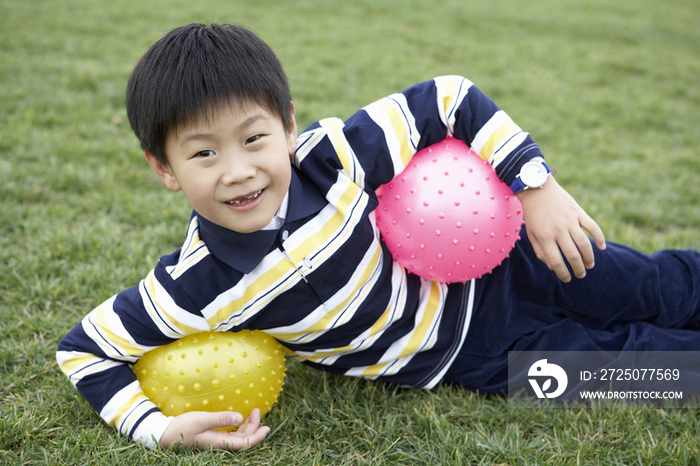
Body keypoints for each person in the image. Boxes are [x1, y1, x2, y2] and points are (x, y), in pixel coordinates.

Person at [56, 22, 700, 451]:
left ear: (285, 126)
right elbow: (83, 351)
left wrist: (536, 188)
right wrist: (161, 430)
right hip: (466, 364)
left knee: (655, 286)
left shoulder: (330, 157)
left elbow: (449, 97)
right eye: (203, 154)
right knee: (645, 372)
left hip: (509, 264)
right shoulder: (195, 287)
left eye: (254, 138)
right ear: (163, 168)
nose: (239, 170)